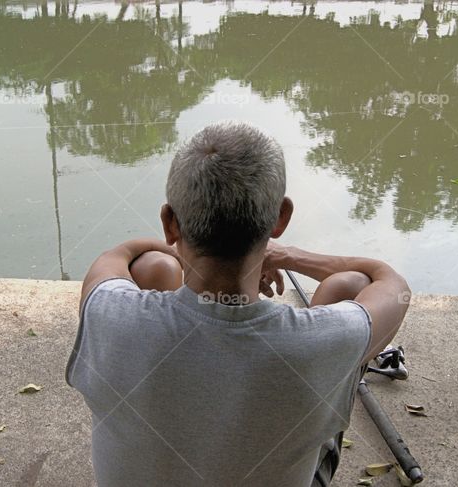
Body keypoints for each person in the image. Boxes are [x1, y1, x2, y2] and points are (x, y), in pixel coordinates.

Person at [66, 121, 410, 486]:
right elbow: (388, 283)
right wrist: (287, 256)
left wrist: (193, 256)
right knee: (349, 285)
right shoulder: (326, 339)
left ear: (170, 223)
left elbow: (117, 255)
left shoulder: (108, 313)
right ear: (281, 218)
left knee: (151, 265)